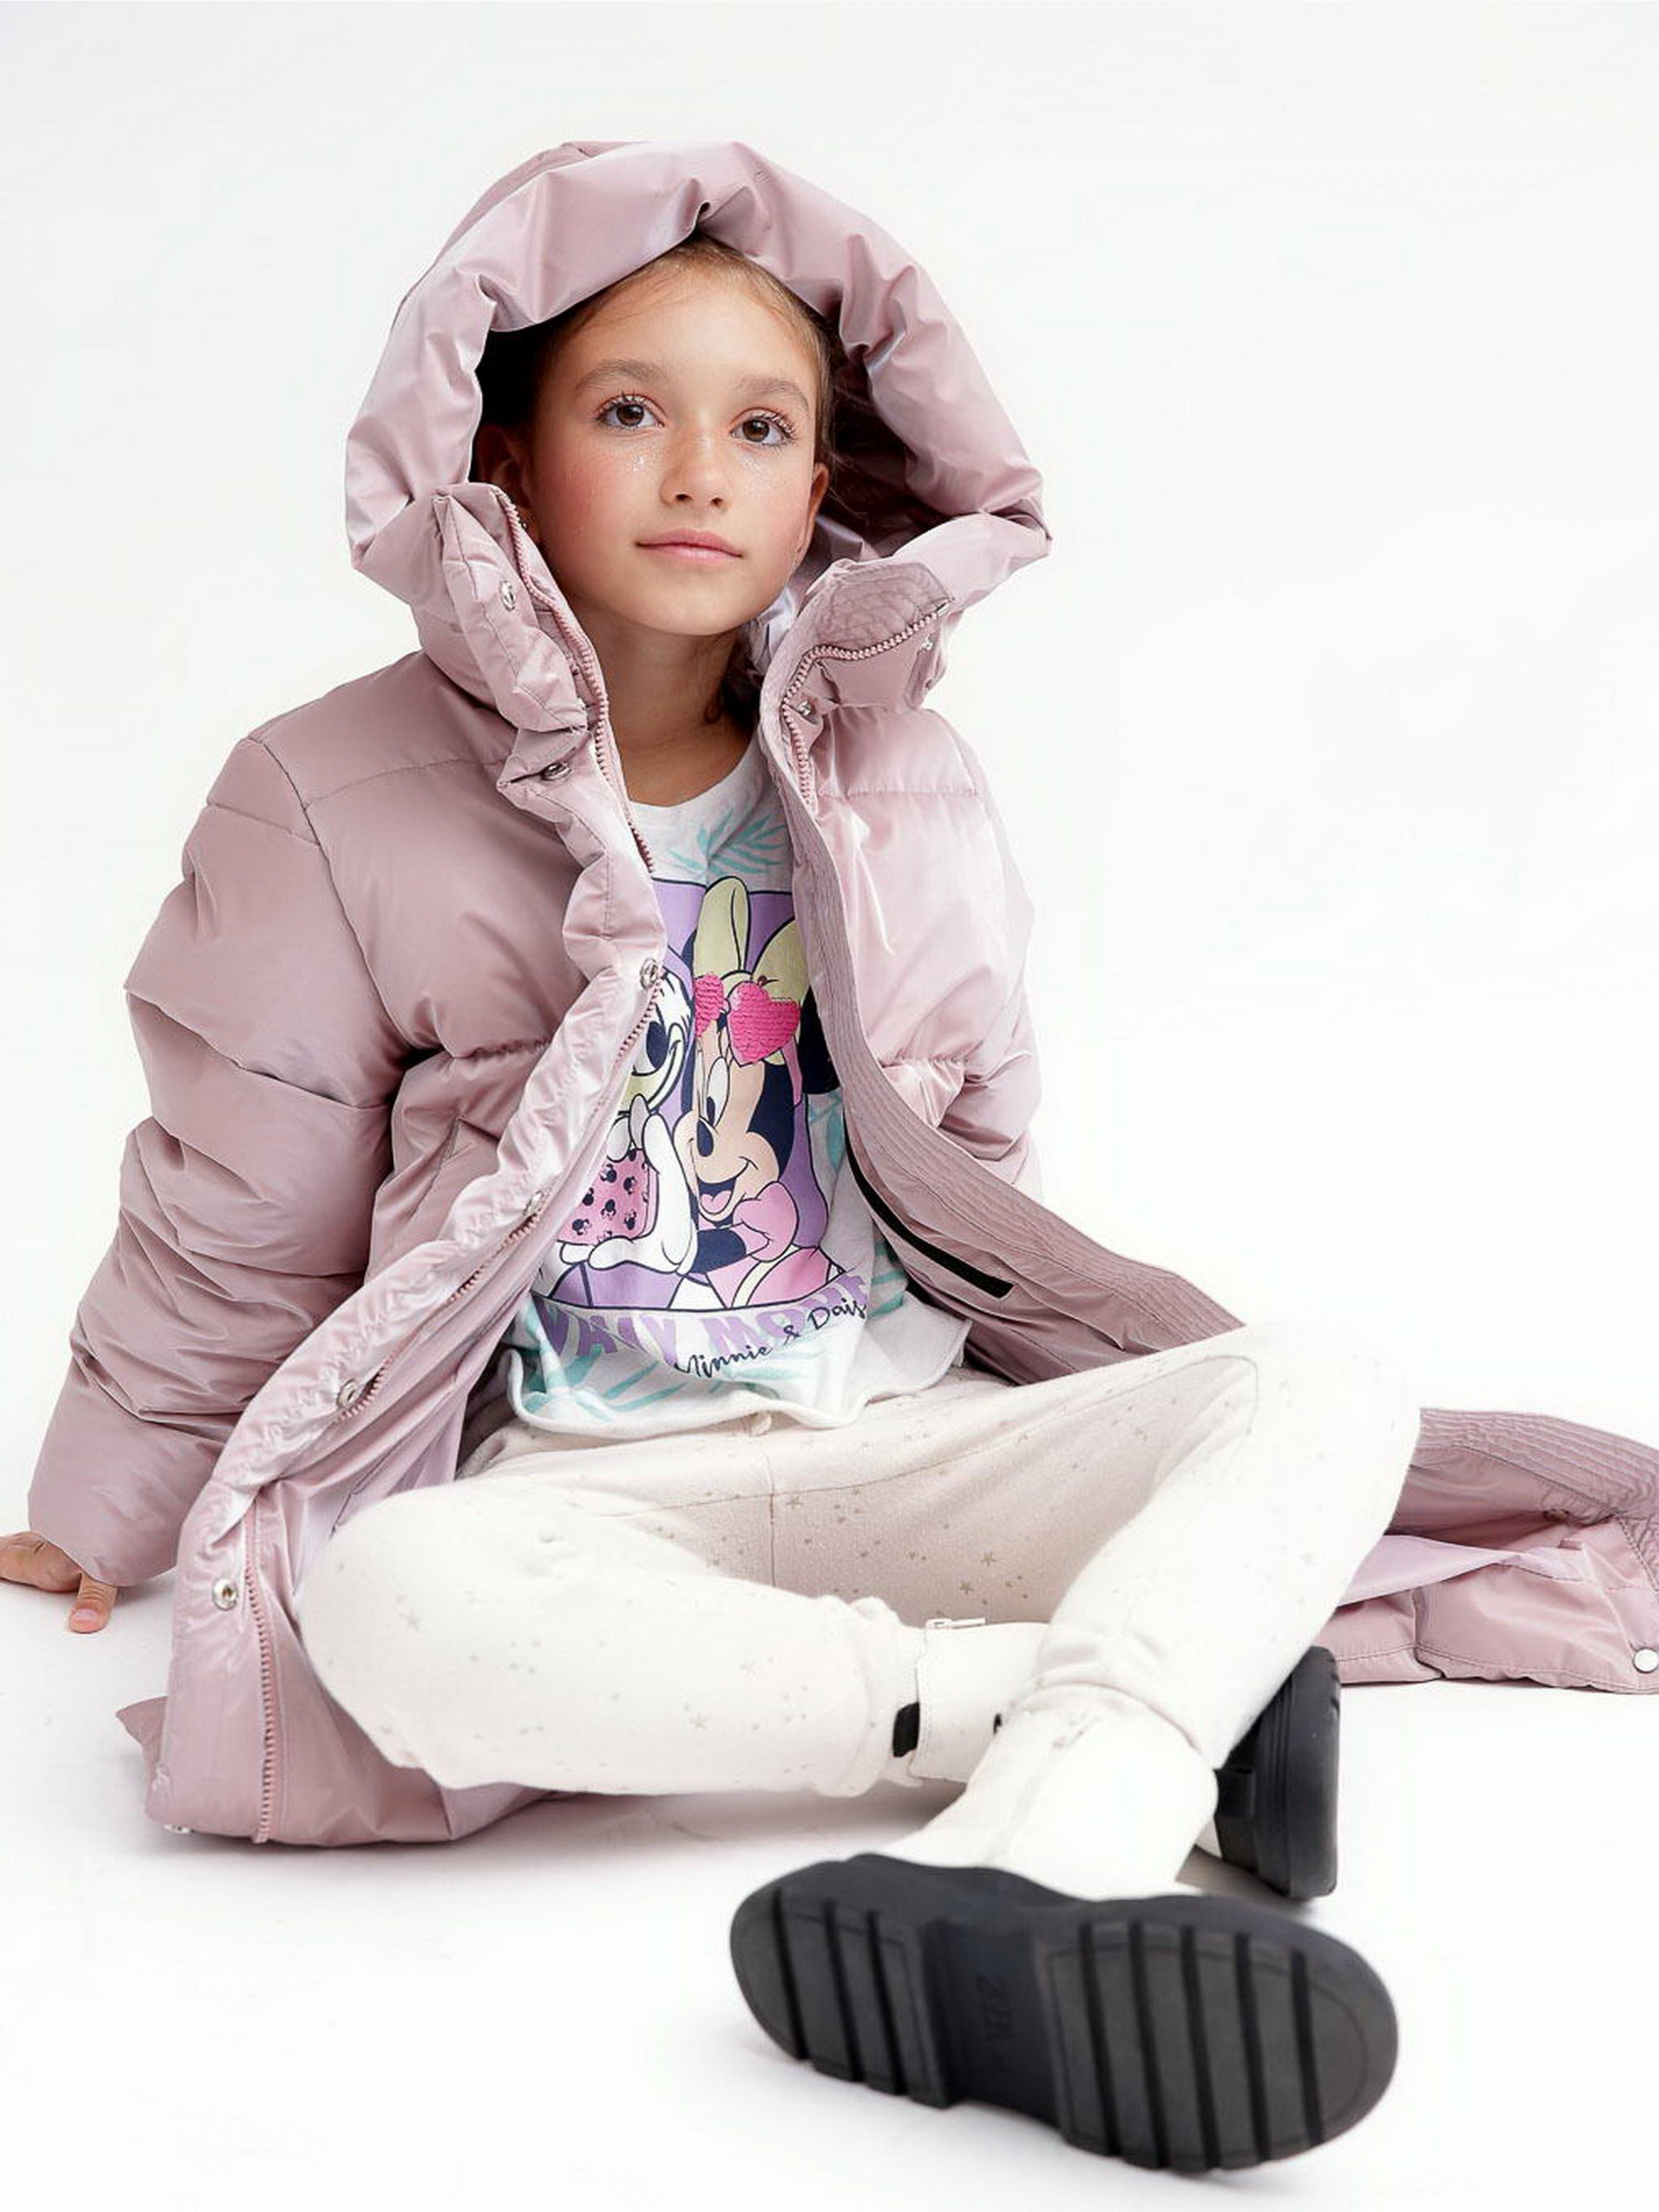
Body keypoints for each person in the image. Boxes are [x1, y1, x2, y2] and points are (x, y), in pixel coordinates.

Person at [7, 142, 1425, 2173]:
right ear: (497, 457)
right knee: (390, 1605)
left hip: (901, 1430)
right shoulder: (324, 791)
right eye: (627, 412)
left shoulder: (904, 778)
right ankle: (1060, 1718)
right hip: (583, 1480)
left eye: (761, 428)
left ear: (827, 481)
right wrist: (110, 1503)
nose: (698, 473)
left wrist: (1033, 1398)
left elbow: (971, 1139)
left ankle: (1062, 1828)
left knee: (1316, 1382)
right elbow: (240, 1193)